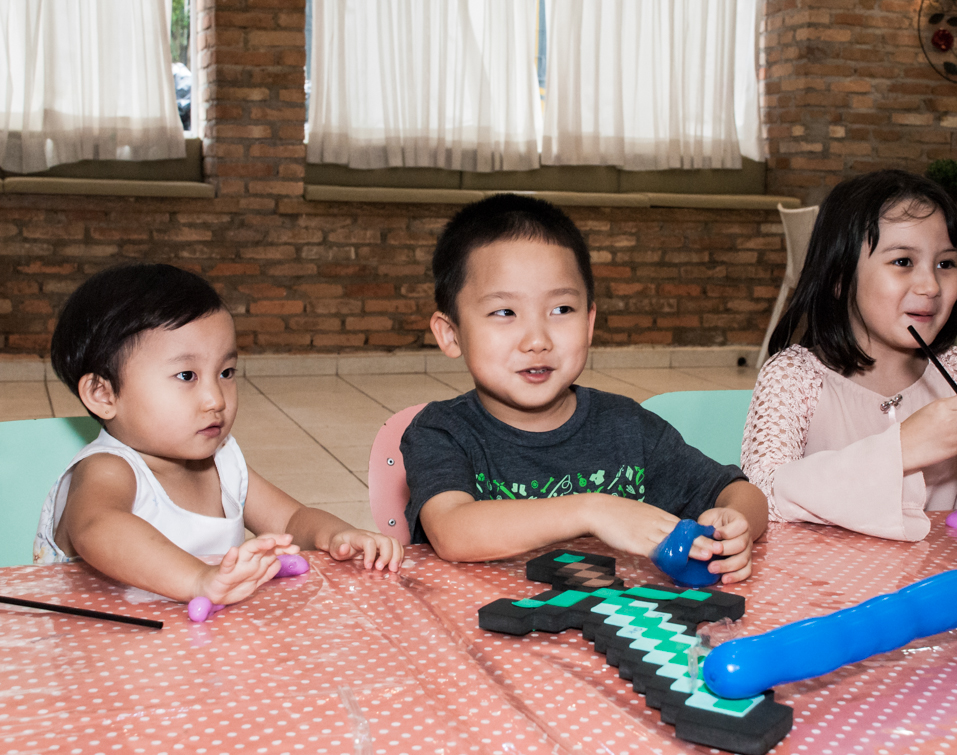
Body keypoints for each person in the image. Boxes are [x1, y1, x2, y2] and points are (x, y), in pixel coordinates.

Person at [400, 194, 768, 583]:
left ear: (589, 321)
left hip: (615, 630)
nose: (537, 339)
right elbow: (453, 531)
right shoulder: (441, 432)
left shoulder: (629, 427)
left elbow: (739, 492)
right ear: (451, 333)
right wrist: (593, 511)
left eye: (561, 310)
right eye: (504, 312)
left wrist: (734, 524)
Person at [742, 169, 957, 541]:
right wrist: (901, 447)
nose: (931, 286)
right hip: (825, 591)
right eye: (903, 261)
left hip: (941, 589)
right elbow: (762, 495)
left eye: (946, 263)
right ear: (840, 278)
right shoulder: (794, 376)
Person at [34, 264, 404, 606]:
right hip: (104, 657)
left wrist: (338, 536)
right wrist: (199, 580)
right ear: (103, 394)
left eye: (226, 372)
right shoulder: (107, 468)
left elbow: (292, 520)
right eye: (186, 376)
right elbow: (97, 528)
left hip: (200, 652)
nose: (215, 399)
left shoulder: (224, 460)